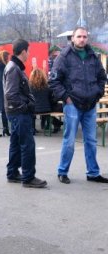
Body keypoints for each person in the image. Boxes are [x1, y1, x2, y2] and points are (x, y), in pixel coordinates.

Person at [49, 26, 108, 184]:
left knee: (91, 141)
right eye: (79, 36)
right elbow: (54, 81)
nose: (82, 39)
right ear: (72, 38)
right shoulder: (64, 57)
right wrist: (66, 98)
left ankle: (93, 173)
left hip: (90, 105)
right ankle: (62, 171)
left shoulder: (93, 56)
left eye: (84, 36)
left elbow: (102, 77)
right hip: (73, 104)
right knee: (69, 141)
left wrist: (98, 93)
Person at [3, 39, 47, 188]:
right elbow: (11, 94)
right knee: (27, 144)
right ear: (23, 52)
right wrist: (26, 106)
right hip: (19, 113)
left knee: (16, 142)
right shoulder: (14, 68)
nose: (29, 54)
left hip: (15, 112)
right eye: (28, 51)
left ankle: (13, 173)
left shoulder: (14, 67)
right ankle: (28, 177)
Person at [29, 68, 63, 133]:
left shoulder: (29, 87)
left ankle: (32, 128)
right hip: (46, 109)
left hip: (34, 109)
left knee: (31, 112)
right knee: (48, 111)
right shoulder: (47, 87)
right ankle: (57, 123)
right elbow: (52, 99)